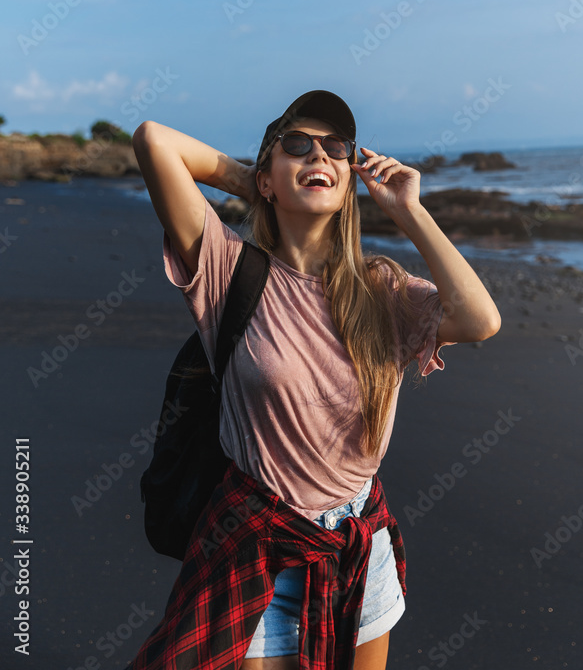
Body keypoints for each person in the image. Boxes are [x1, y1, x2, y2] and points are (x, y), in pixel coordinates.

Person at [129, 89, 501, 670]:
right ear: (265, 176)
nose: (318, 157)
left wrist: (408, 209)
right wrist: (259, 183)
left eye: (335, 149)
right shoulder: (228, 271)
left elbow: (480, 320)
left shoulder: (380, 288)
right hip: (258, 549)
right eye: (297, 145)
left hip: (359, 543)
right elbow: (155, 140)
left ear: (351, 176)